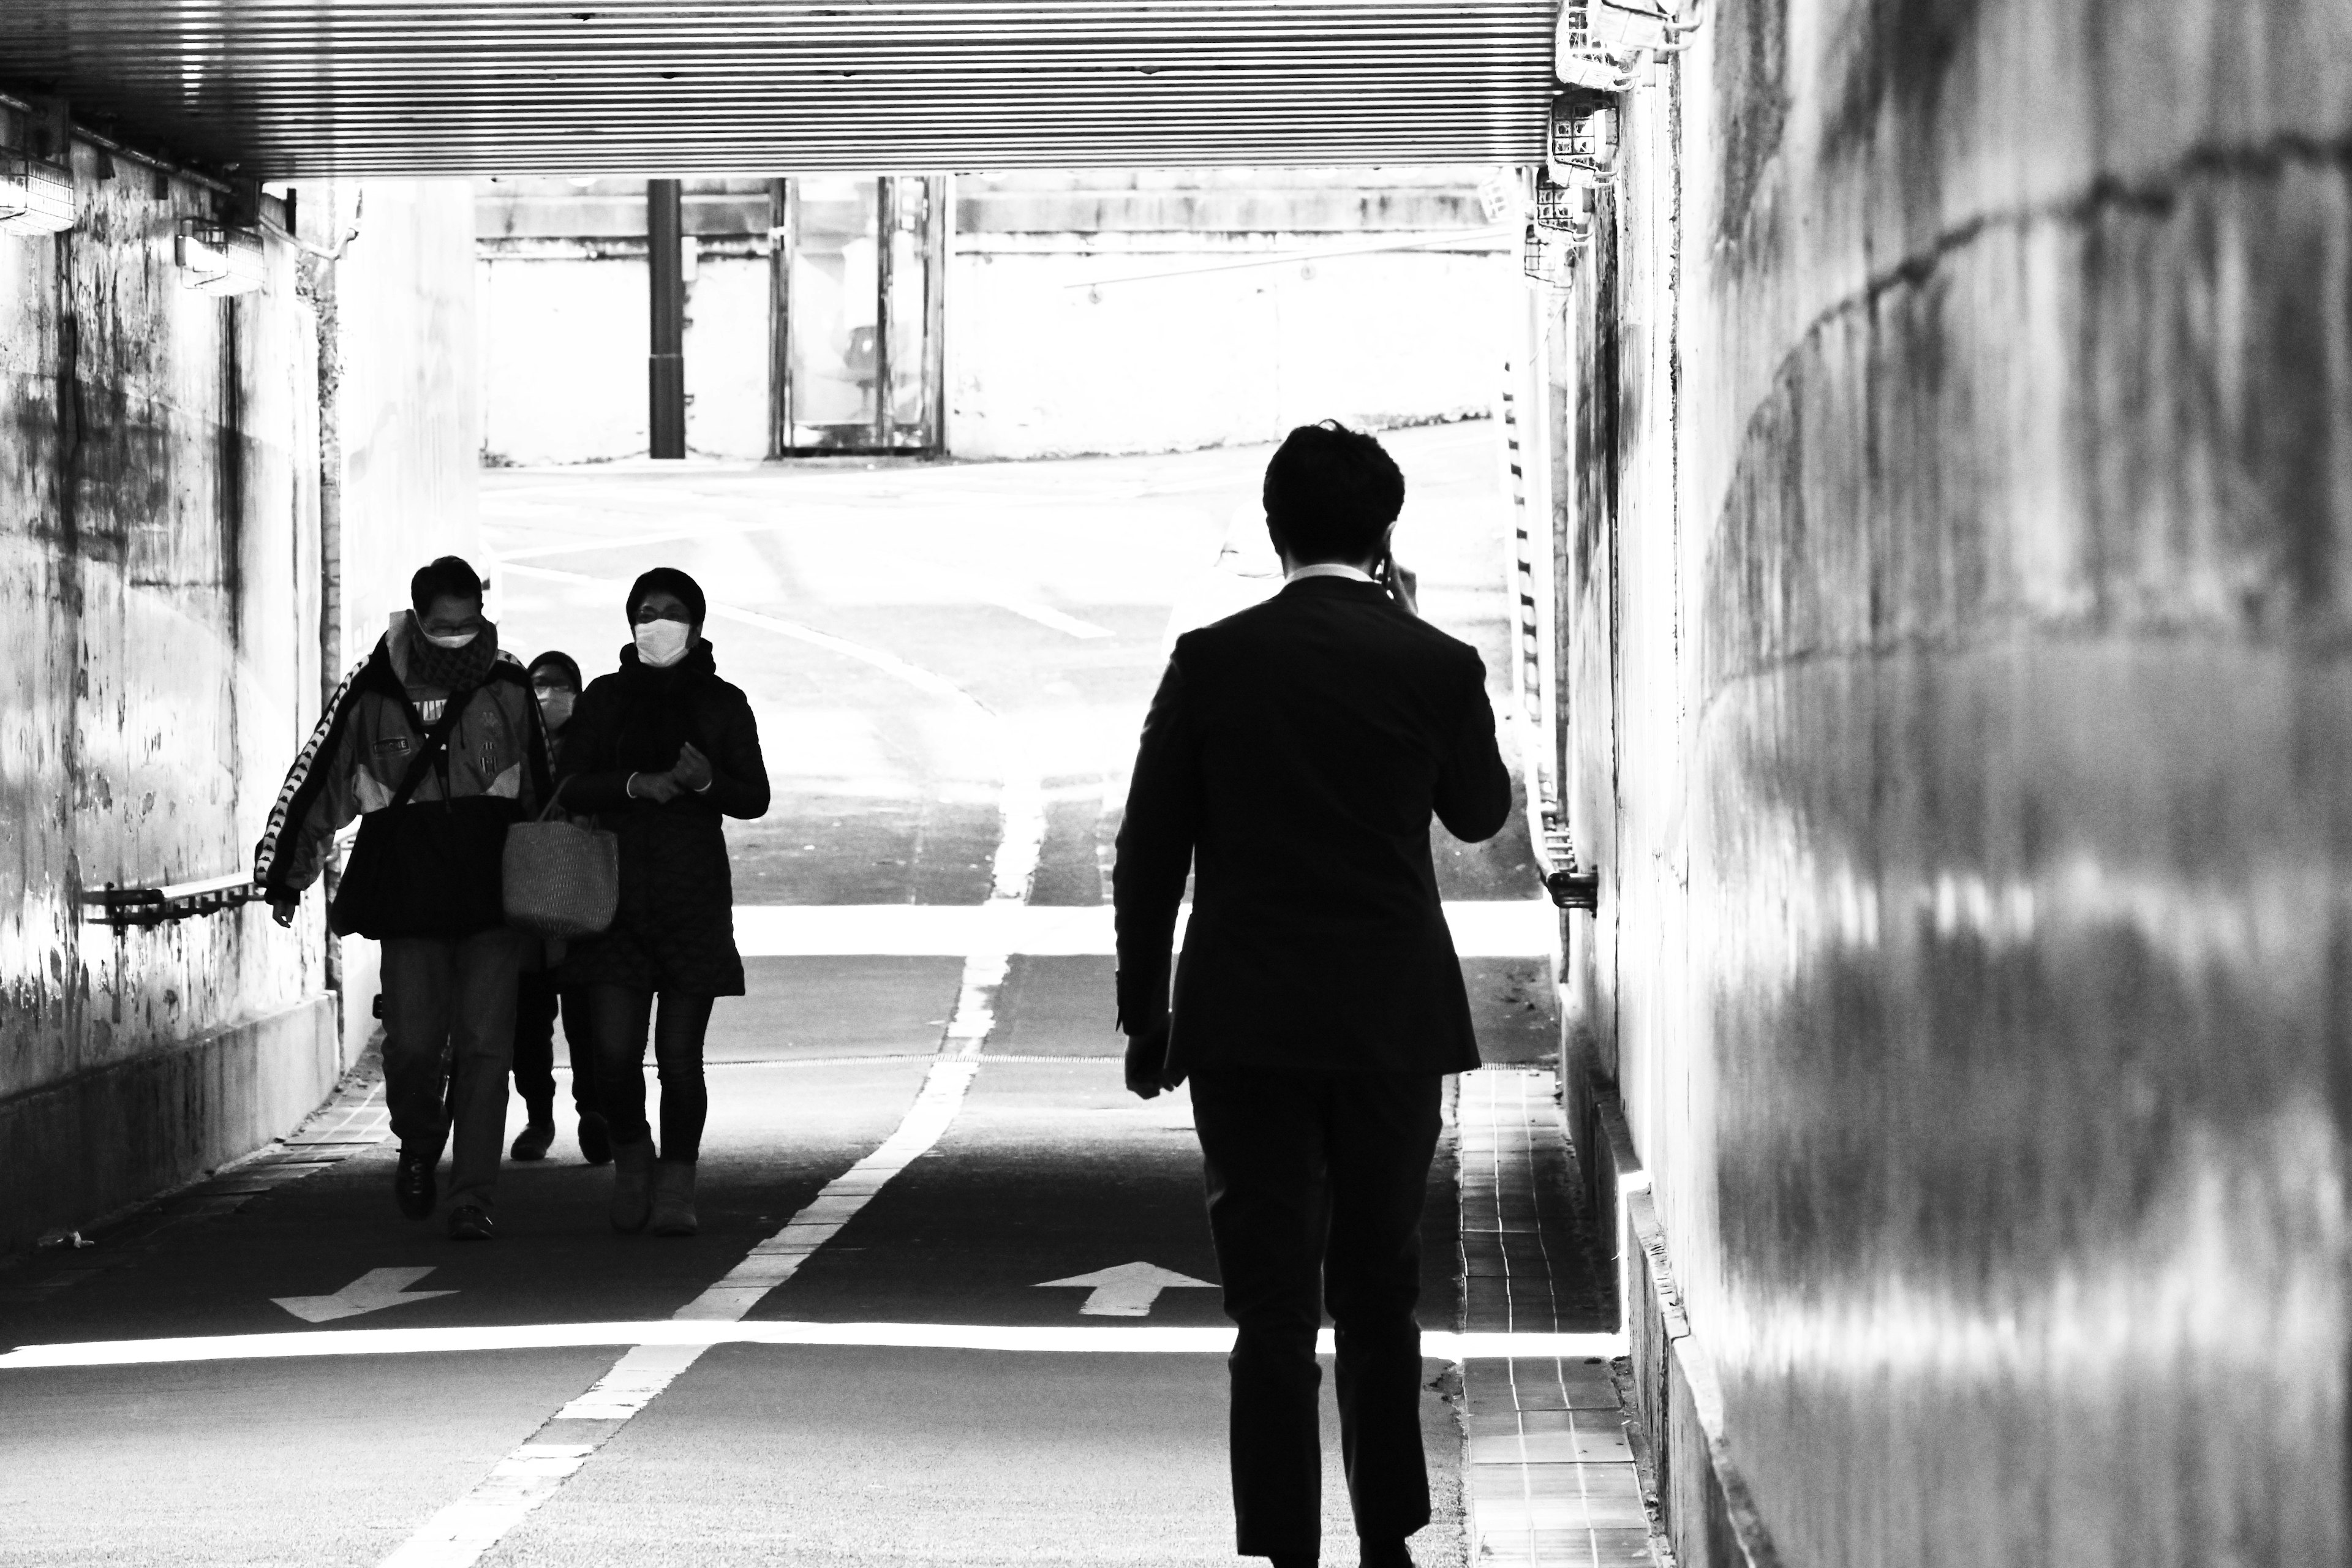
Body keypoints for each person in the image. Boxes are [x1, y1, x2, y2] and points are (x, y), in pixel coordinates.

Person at [1112, 422, 1512, 1568]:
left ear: (1275, 528)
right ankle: (1387, 1538)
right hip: (1391, 1020)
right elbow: (1480, 815)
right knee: (1381, 1290)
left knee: (1272, 1309)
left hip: (1246, 1024)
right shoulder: (1435, 664)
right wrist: (1417, 626)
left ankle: (1288, 1550)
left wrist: (1150, 1014)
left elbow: (1152, 851)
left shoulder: (1211, 660)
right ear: (1387, 534)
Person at [255, 556, 551, 1242]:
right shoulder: (370, 688)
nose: (457, 636)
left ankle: (473, 1195)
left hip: (492, 897)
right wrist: (286, 873)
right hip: (410, 898)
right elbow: (318, 780)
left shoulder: (508, 682)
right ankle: (419, 1141)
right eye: (443, 626)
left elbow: (544, 787)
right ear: (417, 620)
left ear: (483, 612)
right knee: (415, 1045)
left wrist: (559, 889)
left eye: (468, 623)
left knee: (485, 1048)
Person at [556, 567, 769, 1237]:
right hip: (612, 898)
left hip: (691, 898)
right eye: (646, 611)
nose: (657, 622)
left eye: (672, 611)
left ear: (698, 623)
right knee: (613, 1055)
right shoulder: (605, 698)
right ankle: (632, 1160)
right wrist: (632, 785)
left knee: (680, 1057)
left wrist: (706, 781)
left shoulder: (723, 703)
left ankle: (678, 1183)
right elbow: (571, 783)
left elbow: (754, 795)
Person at [508, 650, 609, 1165]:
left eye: (561, 684)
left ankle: (594, 1111)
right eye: (540, 684)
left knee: (585, 1018)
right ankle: (539, 1118)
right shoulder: (513, 746)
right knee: (529, 1022)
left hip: (578, 904)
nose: (550, 695)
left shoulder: (593, 749)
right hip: (527, 911)